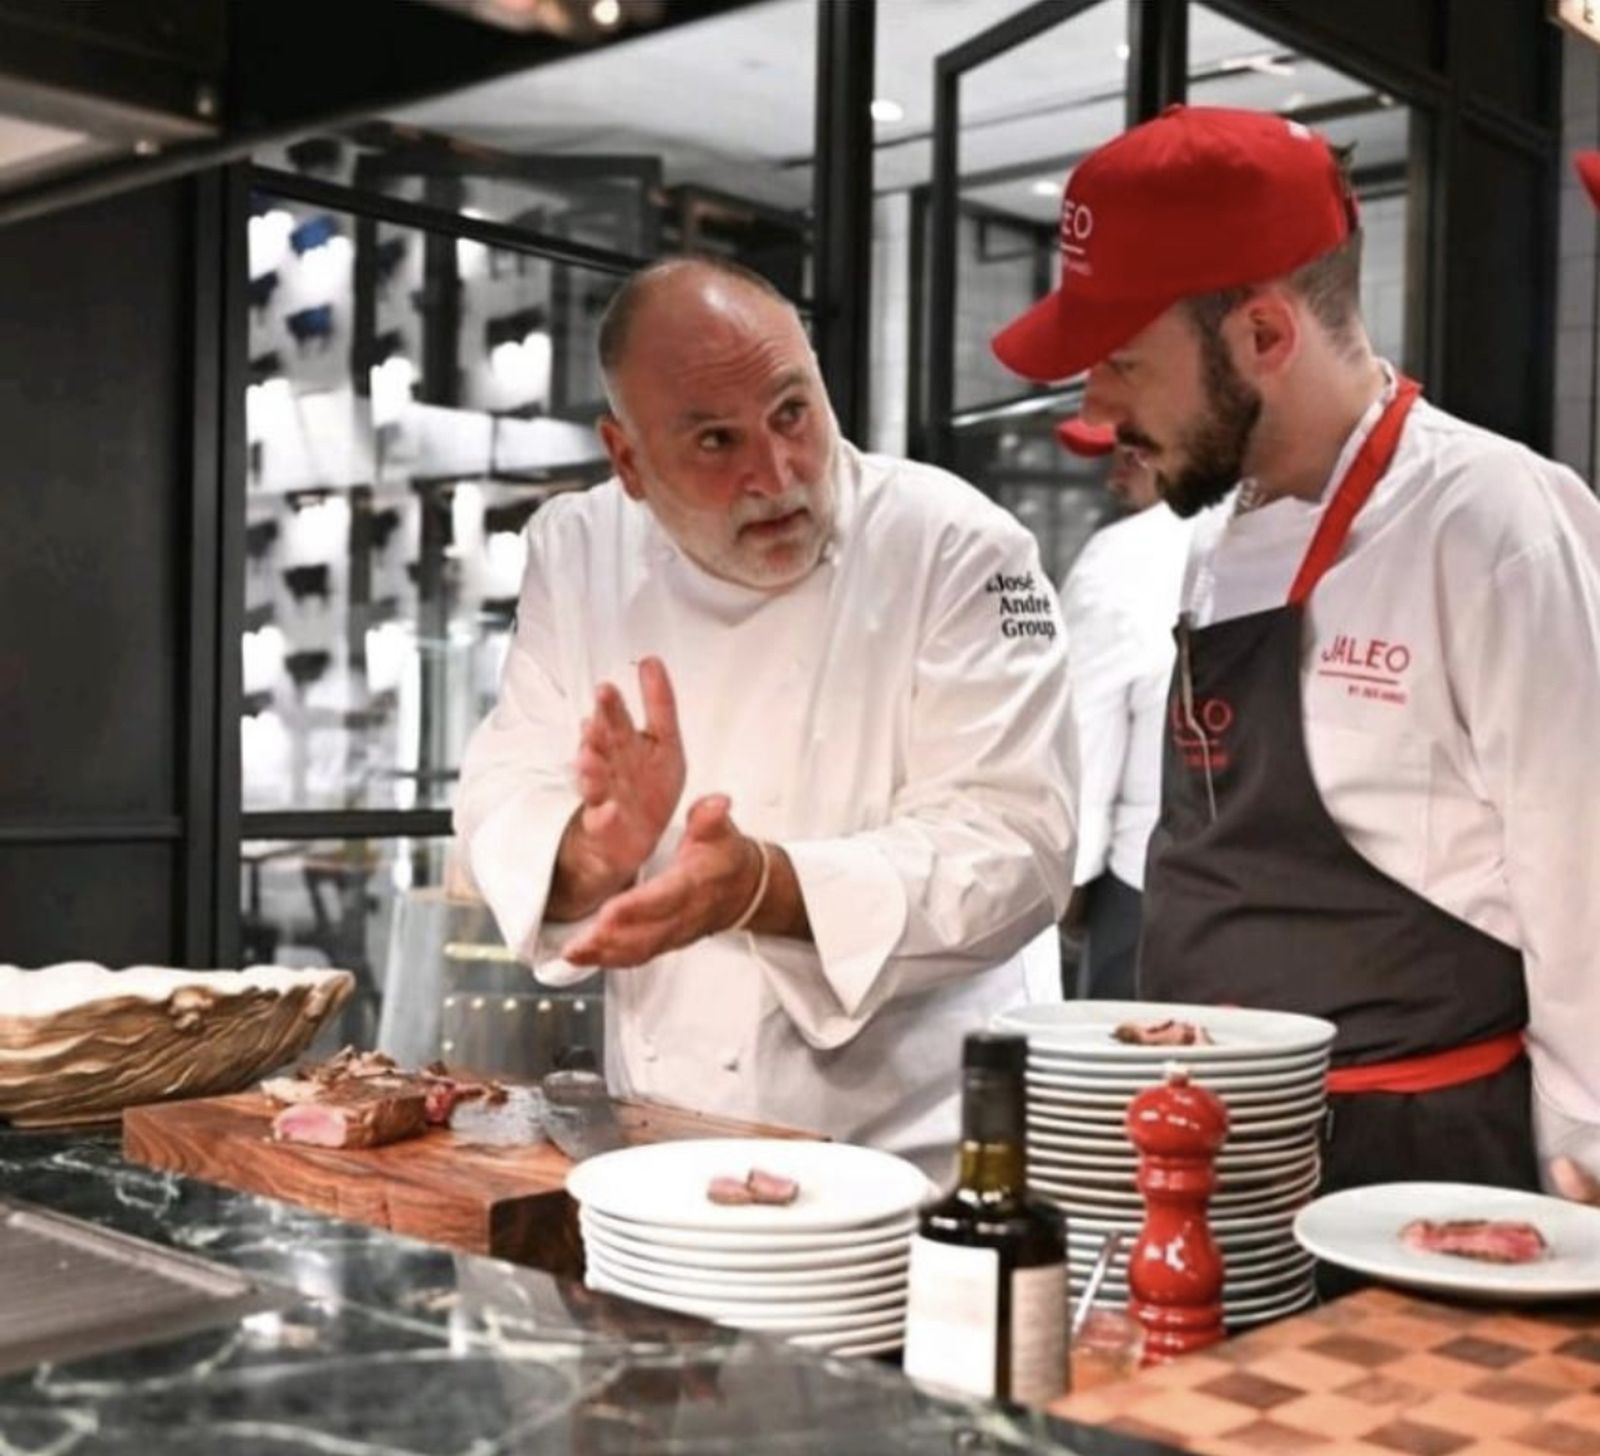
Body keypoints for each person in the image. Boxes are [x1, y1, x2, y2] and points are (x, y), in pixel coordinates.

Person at [992, 104, 1600, 1200]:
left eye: (1122, 362)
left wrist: (1581, 1181)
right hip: (1219, 1151)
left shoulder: (1492, 523)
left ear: (1265, 337)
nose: (1093, 407)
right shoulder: (1216, 529)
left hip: (1418, 1172)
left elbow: (1587, 884)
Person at [454, 255, 1075, 1173]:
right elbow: (504, 790)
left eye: (792, 414)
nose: (775, 473)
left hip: (920, 1155)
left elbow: (1017, 843)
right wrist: (595, 853)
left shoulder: (961, 548)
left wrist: (756, 887)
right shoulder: (577, 548)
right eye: (715, 442)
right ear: (626, 459)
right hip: (663, 1140)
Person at [1054, 418, 1193, 1000]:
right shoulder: (1285, 524)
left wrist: (1067, 889)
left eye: (1129, 456)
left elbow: (1082, 739)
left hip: (1143, 892)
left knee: (1123, 1085)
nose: (1113, 477)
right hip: (1264, 899)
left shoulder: (1120, 556)